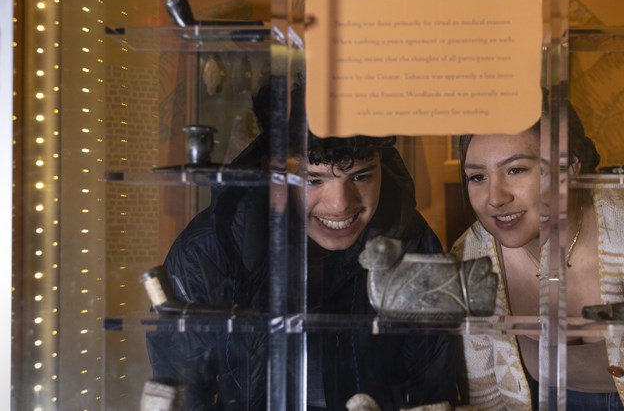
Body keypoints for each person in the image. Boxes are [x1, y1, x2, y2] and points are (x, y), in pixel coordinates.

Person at [146, 80, 458, 410]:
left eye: (361, 176)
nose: (340, 204)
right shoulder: (205, 255)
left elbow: (431, 393)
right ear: (272, 170)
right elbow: (181, 398)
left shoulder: (413, 244)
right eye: (313, 180)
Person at [449, 104, 624, 410]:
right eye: (477, 177)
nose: (495, 198)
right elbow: (486, 396)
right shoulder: (471, 255)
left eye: (516, 170)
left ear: (570, 167)